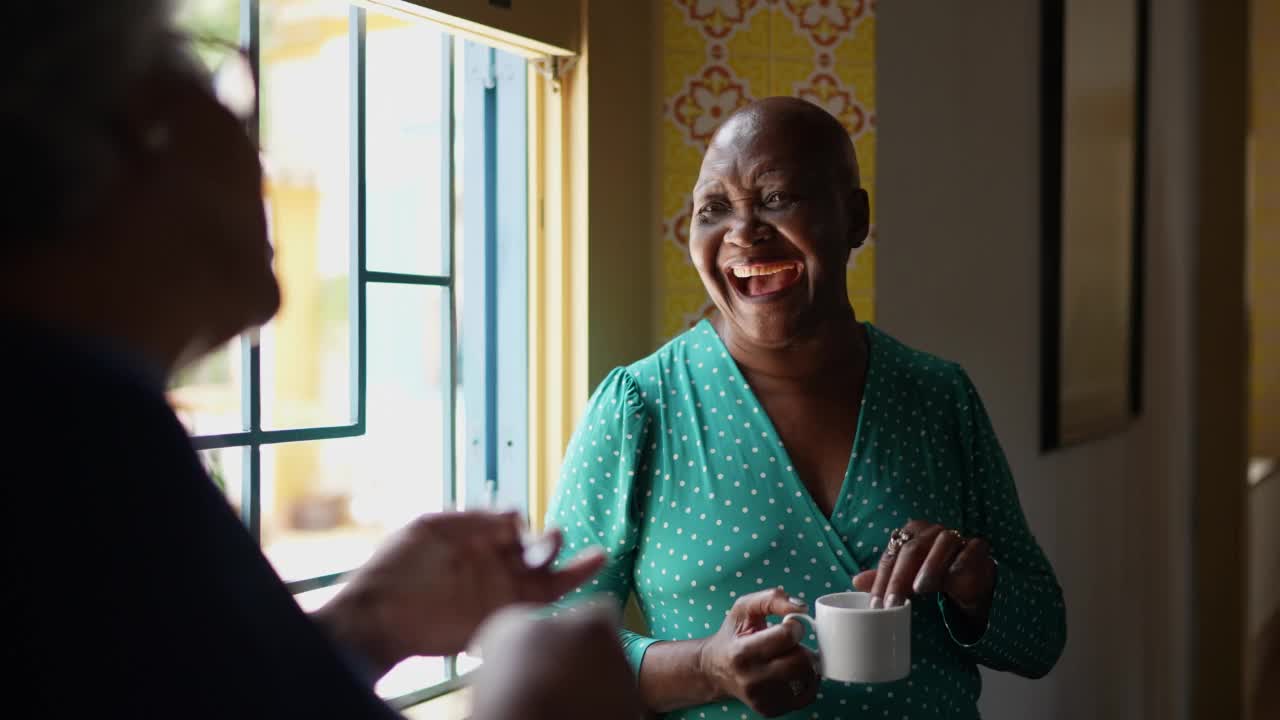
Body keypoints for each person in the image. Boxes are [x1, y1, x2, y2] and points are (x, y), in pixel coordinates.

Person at [1, 2, 632, 718]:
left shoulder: (84, 421)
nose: (260, 156)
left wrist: (364, 625)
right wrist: (541, 702)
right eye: (230, 97)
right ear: (142, 121)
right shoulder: (70, 445)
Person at [547, 96, 1067, 718]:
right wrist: (707, 667)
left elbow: (1042, 639)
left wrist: (974, 588)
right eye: (714, 209)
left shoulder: (938, 398)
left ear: (854, 218)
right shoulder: (641, 408)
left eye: (776, 199)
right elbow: (555, 652)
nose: (742, 233)